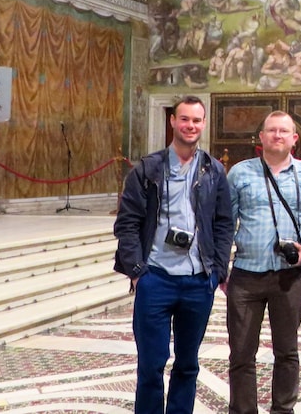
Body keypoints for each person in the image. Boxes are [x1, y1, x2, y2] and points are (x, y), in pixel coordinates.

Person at [113, 95, 235, 414]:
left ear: (204, 124)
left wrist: (218, 270)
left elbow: (223, 222)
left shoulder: (214, 170)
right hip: (156, 278)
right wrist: (138, 272)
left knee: (187, 364)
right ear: (172, 121)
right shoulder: (148, 168)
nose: (190, 126)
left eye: (196, 120)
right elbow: (127, 223)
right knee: (151, 366)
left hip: (197, 282)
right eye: (184, 119)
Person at [226, 111, 301, 414]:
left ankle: (283, 410)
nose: (278, 136)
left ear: (295, 138)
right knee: (241, 354)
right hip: (246, 274)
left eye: (284, 131)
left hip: (289, 276)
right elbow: (225, 222)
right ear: (261, 137)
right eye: (272, 131)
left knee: (287, 351)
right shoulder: (240, 173)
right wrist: (219, 266)